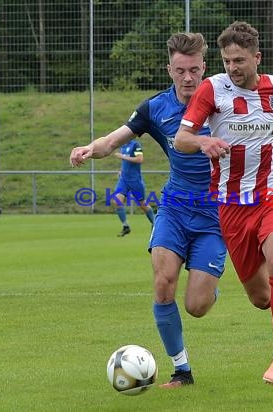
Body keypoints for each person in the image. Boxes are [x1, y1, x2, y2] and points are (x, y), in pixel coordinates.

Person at [174, 21, 273, 386]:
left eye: (239, 60)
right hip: (231, 205)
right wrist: (203, 143)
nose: (232, 68)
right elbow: (181, 138)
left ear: (256, 57)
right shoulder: (212, 89)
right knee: (261, 298)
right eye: (227, 60)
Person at [70, 32, 227, 388]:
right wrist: (87, 148)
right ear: (169, 69)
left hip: (215, 215)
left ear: (205, 68)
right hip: (173, 207)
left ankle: (211, 287)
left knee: (197, 305)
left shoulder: (224, 104)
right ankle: (181, 370)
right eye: (180, 70)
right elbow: (112, 141)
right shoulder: (154, 108)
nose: (188, 78)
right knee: (163, 283)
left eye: (194, 70)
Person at [112, 138, 154, 237]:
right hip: (124, 180)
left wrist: (123, 156)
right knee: (117, 200)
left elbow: (140, 159)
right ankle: (126, 226)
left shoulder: (135, 145)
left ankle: (155, 223)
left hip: (135, 180)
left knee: (142, 204)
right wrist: (122, 170)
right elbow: (125, 163)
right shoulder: (123, 145)